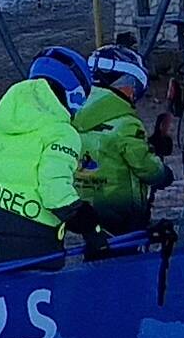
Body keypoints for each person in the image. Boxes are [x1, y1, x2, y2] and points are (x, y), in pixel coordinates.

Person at [0, 48, 92, 266]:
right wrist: (89, 225)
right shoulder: (62, 133)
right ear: (70, 93)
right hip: (37, 245)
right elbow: (55, 192)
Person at [72, 44, 170, 251]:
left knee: (96, 252)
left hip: (87, 204)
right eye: (133, 86)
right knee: (125, 256)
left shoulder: (74, 117)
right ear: (123, 84)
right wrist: (162, 173)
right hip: (123, 208)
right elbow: (144, 166)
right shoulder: (126, 123)